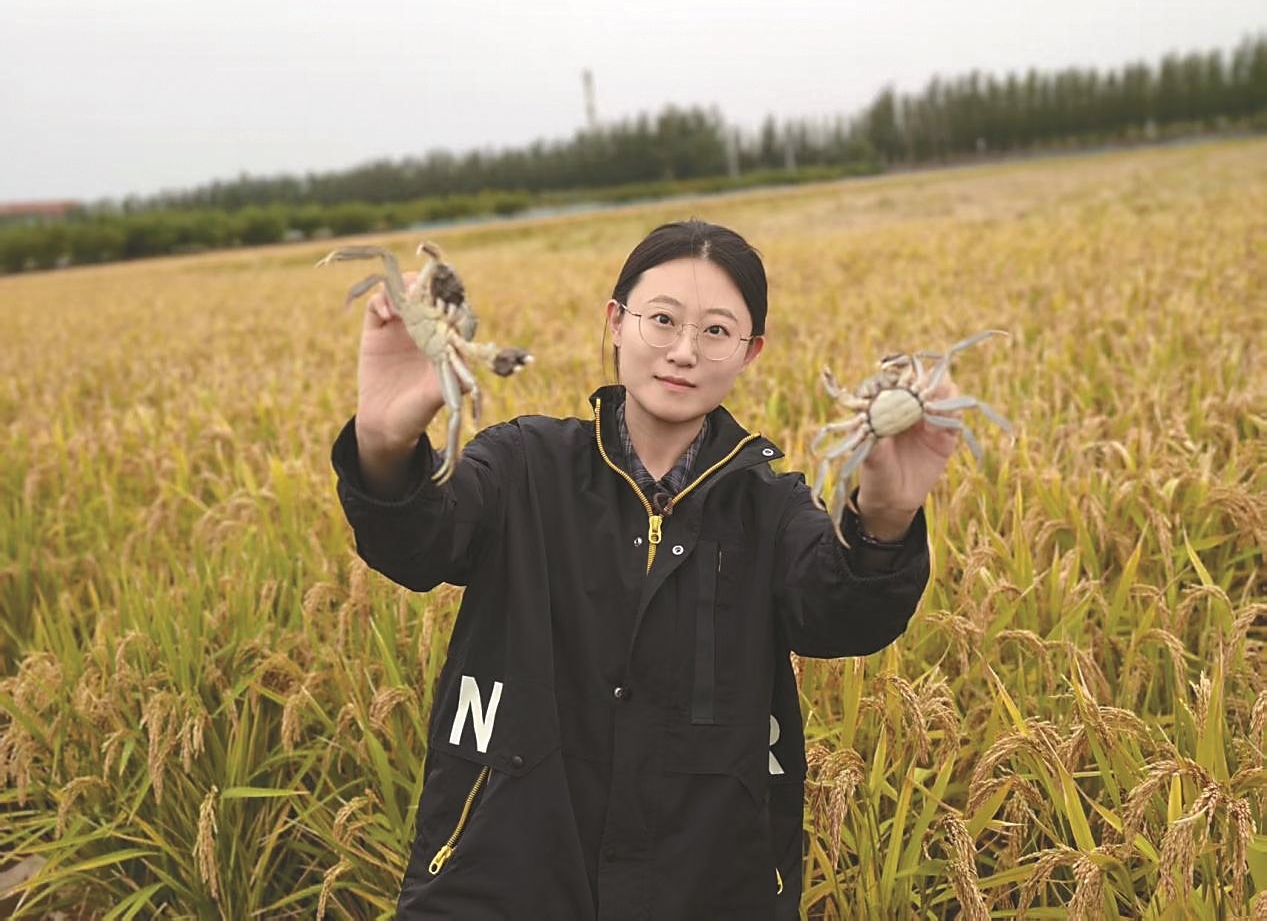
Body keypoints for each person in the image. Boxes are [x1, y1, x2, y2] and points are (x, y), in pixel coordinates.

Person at [330, 220, 960, 920]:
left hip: (708, 887)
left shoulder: (772, 509)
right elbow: (417, 542)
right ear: (616, 322)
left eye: (716, 331)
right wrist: (382, 442)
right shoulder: (523, 465)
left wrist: (886, 517)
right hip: (494, 879)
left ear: (750, 350)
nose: (683, 352)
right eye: (661, 319)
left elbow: (843, 616)